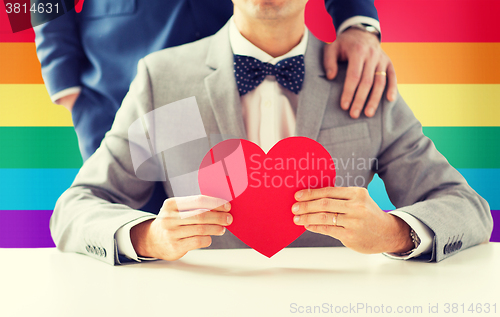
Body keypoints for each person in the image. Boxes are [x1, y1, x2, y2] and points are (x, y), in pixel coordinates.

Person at [51, 0, 492, 266]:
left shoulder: (361, 86)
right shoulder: (161, 83)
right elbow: (78, 209)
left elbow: (465, 207)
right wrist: (61, 77)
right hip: (117, 79)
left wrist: (395, 232)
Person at [34, 0, 396, 160]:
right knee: (133, 233)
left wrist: (358, 23)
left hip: (242, 74)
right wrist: (63, 82)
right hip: (116, 84)